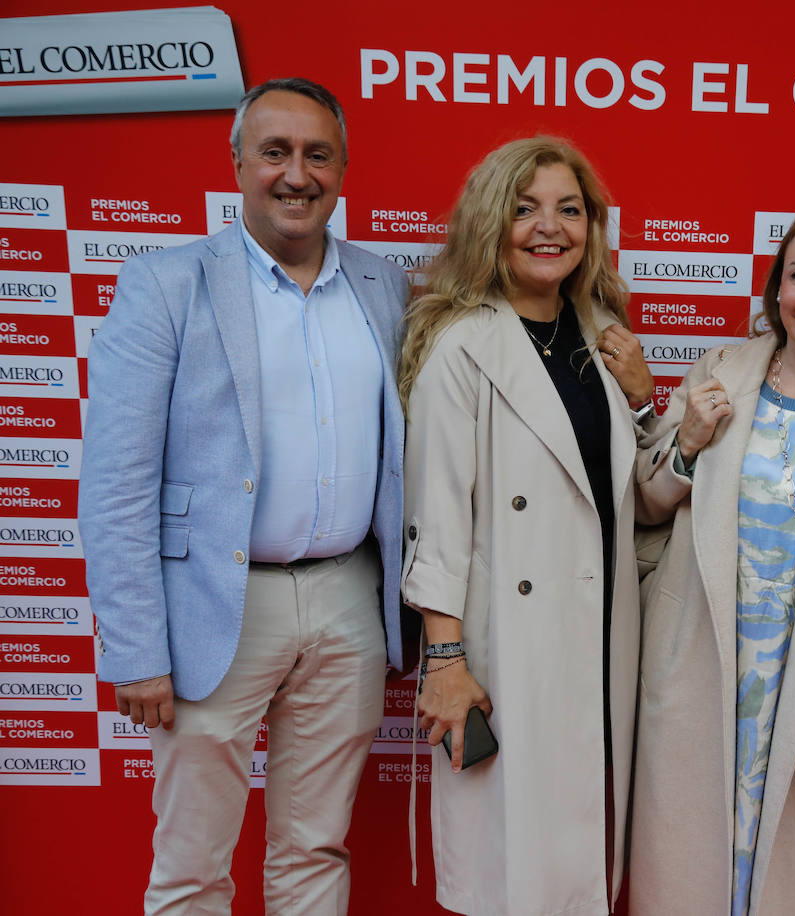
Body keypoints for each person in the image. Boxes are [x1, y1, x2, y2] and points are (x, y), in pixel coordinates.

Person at [78, 78, 410, 915]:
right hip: (211, 606)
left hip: (347, 597)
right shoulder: (164, 284)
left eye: (317, 154)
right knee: (192, 864)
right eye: (274, 152)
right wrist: (136, 648)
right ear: (236, 162)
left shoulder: (384, 285)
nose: (296, 174)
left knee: (315, 849)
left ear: (342, 167)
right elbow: (115, 482)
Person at [396, 136, 654, 915]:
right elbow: (434, 519)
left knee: (579, 857)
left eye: (569, 209)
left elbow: (630, 499)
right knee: (515, 870)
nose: (550, 227)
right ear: (490, 222)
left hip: (603, 638)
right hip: (507, 644)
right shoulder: (461, 347)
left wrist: (645, 403)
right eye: (526, 207)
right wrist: (444, 661)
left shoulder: (602, 330)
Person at [630, 206, 795, 915]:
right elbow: (646, 504)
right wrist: (686, 443)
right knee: (687, 863)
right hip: (703, 657)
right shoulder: (721, 372)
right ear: (776, 290)